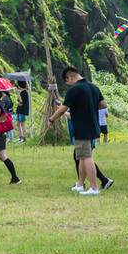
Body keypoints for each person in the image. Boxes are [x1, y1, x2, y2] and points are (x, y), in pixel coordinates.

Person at [47, 67, 107, 195]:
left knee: (86, 157)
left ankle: (94, 188)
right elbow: (103, 104)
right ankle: (80, 184)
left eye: (67, 82)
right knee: (81, 156)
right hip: (93, 126)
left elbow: (62, 109)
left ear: (70, 78)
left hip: (81, 128)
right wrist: (89, 105)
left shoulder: (74, 89)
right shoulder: (93, 87)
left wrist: (51, 119)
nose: (68, 84)